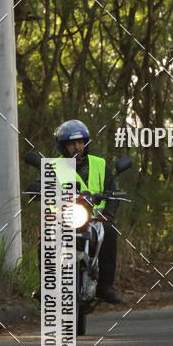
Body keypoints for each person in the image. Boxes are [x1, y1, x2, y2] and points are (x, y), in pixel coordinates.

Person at [55, 120, 122, 304]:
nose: (77, 147)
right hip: (64, 219)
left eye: (80, 142)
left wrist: (108, 214)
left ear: (86, 143)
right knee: (45, 237)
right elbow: (42, 188)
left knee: (110, 231)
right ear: (63, 146)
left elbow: (113, 191)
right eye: (71, 143)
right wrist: (37, 189)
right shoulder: (53, 167)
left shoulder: (99, 164)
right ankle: (46, 285)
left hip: (95, 218)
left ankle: (105, 287)